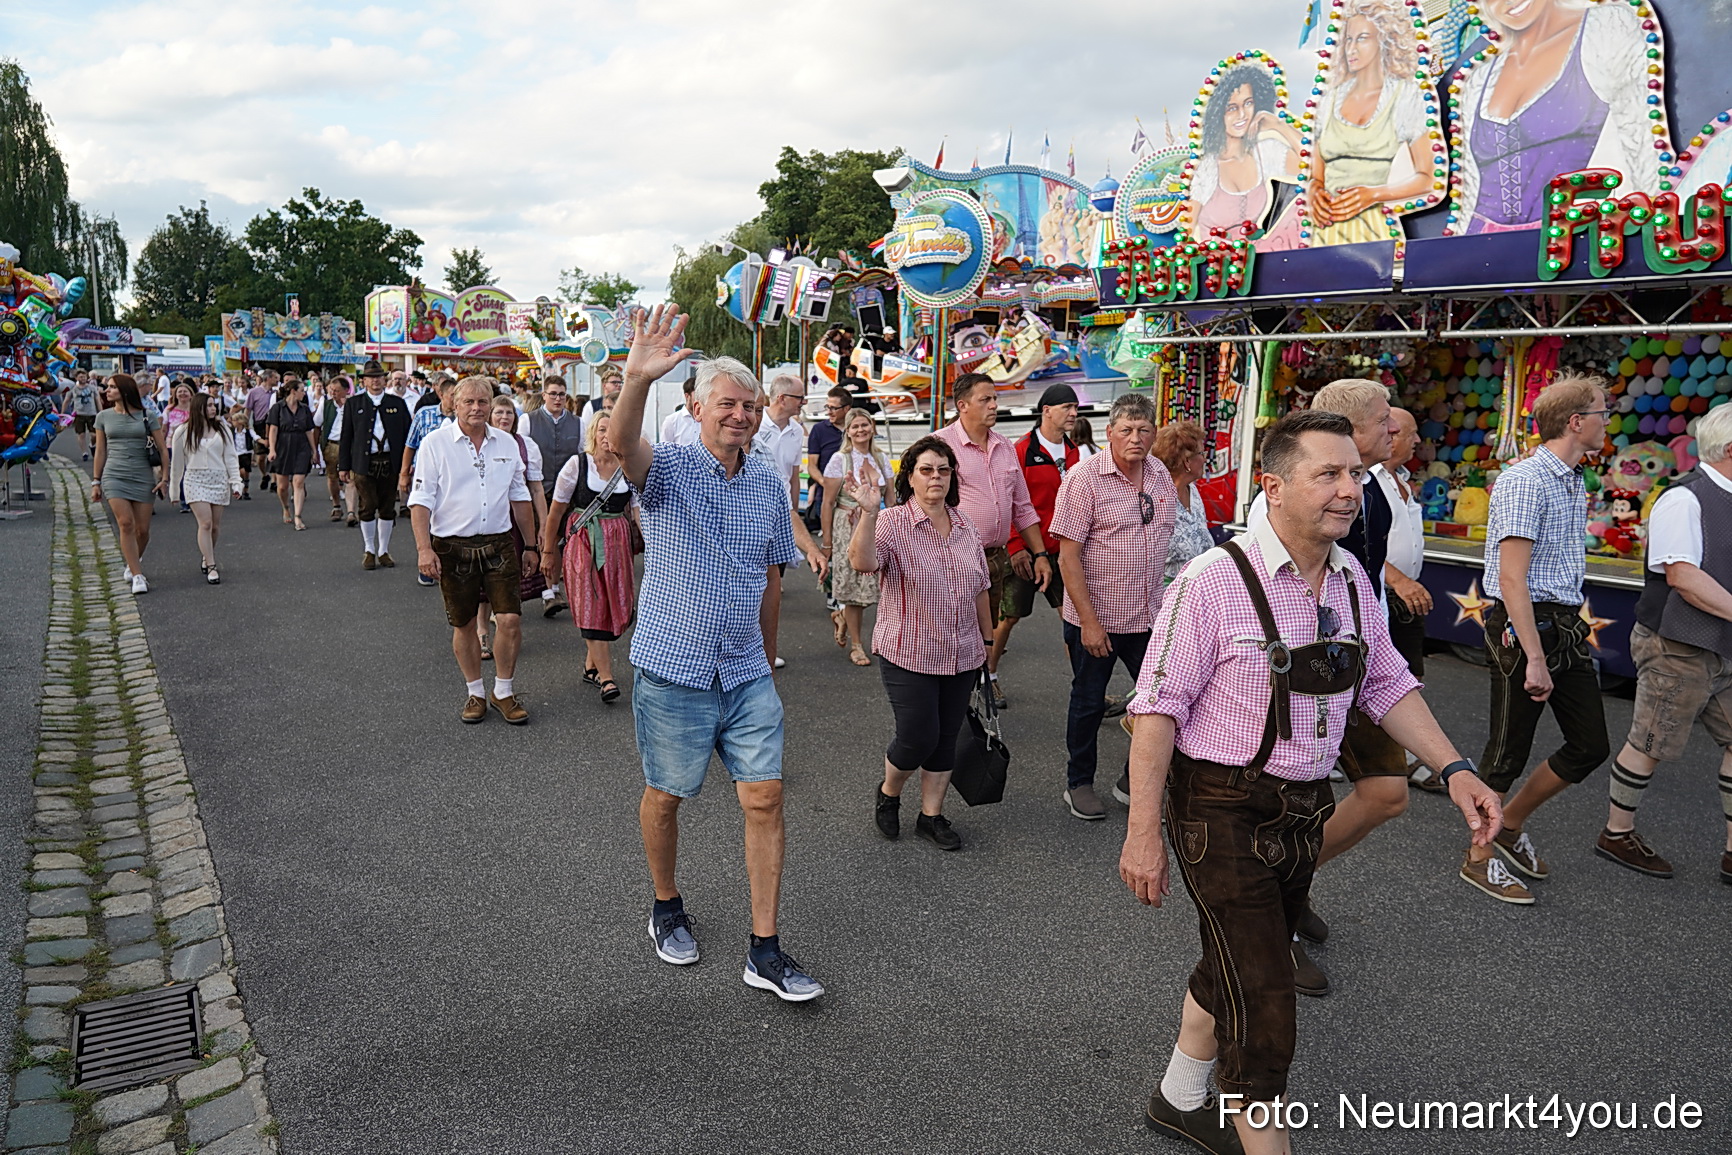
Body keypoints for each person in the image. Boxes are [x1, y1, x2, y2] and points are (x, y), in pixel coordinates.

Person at [1118, 409, 1502, 1155]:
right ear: (1274, 486)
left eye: (1354, 473)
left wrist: (1455, 769)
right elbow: (1155, 712)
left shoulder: (1354, 578)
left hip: (1303, 807)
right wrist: (1142, 837)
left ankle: (1175, 1097)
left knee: (1229, 958)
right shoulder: (1212, 582)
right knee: (1264, 1001)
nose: (1349, 489)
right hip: (1218, 808)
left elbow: (1386, 681)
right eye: (1327, 473)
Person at [607, 305, 824, 1003]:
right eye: (727, 402)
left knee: (764, 796)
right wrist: (637, 379)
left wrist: (767, 660)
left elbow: (770, 577)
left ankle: (764, 948)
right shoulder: (668, 471)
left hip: (745, 672)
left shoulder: (767, 481)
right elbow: (619, 445)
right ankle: (666, 902)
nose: (741, 414)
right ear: (696, 406)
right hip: (674, 668)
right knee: (667, 795)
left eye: (750, 405)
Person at [1469, 373, 1613, 903]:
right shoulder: (1527, 479)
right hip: (1525, 623)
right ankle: (1478, 856)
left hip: (1563, 622)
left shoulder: (1571, 478)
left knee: (1590, 744)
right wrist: (1533, 656)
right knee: (1508, 748)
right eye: (1601, 411)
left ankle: (1507, 823)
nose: (1607, 420)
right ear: (1576, 422)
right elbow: (1511, 578)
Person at [848, 435, 991, 851]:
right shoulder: (893, 522)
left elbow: (981, 588)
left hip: (963, 652)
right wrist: (869, 514)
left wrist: (986, 643)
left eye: (944, 470)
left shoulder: (965, 526)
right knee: (916, 736)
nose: (936, 478)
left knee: (947, 737)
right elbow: (863, 563)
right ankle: (890, 792)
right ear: (910, 476)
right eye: (926, 470)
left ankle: (931, 816)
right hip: (908, 650)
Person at [1610, 402, 1732, 885]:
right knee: (1651, 741)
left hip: (1722, 644)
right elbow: (1683, 576)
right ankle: (1617, 833)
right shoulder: (1684, 499)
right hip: (1676, 644)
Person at [1051, 393, 1177, 820]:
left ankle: (1132, 782)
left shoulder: (1160, 474)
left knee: (1160, 702)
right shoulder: (1084, 479)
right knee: (1088, 702)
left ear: (1154, 434)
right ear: (1109, 433)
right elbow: (1067, 558)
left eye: (1144, 430)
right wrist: (1089, 622)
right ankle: (1078, 784)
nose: (1135, 438)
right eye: (1126, 430)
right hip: (1097, 617)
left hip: (1150, 616)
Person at [1454, 0, 1656, 234]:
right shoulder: (1477, 77)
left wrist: (1649, 229)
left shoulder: (1605, 26)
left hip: (1566, 245)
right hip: (1478, 247)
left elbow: (1642, 143)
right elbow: (1466, 194)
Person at [408, 377, 537, 725]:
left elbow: (520, 497)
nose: (477, 408)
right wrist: (424, 550)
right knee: (464, 624)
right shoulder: (435, 444)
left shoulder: (507, 443)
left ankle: (504, 691)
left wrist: (532, 545)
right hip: (452, 547)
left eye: (483, 402)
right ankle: (476, 692)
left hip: (499, 543)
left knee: (509, 620)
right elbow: (419, 502)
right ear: (454, 404)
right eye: (469, 402)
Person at [936, 372, 1053, 708]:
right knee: (952, 631)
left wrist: (1040, 552)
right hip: (954, 557)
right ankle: (950, 702)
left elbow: (1023, 507)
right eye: (985, 399)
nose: (994, 405)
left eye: (994, 398)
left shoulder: (1005, 447)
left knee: (983, 633)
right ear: (962, 406)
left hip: (996, 558)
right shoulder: (940, 446)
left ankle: (974, 694)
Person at [1306, 0, 1435, 246]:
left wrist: (1373, 194)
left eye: (1362, 38)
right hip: (1322, 234)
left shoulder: (1404, 96)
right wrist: (1312, 191)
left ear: (1385, 41)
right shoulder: (1328, 100)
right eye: (1348, 40)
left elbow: (1429, 178)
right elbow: (1315, 175)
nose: (1351, 49)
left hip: (1375, 234)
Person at [541, 408, 638, 704]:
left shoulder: (629, 467)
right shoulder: (577, 465)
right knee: (591, 604)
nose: (607, 436)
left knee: (610, 605)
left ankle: (590, 665)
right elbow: (556, 510)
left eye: (612, 430)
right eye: (601, 430)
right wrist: (547, 552)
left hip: (618, 544)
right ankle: (607, 678)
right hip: (583, 540)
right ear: (592, 434)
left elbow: (638, 512)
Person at [992, 384, 1080, 678]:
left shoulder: (1073, 451)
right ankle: (987, 677)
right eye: (1067, 407)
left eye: (1075, 407)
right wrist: (1016, 547)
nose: (1074, 413)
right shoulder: (1021, 450)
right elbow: (1010, 502)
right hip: (1027, 549)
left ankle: (1085, 686)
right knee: (1009, 617)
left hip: (1063, 550)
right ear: (1046, 411)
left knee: (1072, 618)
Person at [1374, 408, 1440, 791]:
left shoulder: (1401, 478)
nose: (1417, 442)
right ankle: (1401, 760)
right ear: (1393, 435)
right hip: (1389, 591)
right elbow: (1358, 543)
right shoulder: (1370, 480)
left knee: (1410, 675)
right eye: (1411, 434)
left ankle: (1406, 754)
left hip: (1405, 593)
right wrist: (1398, 581)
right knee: (1388, 677)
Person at [474, 393, 548, 660]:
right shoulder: (477, 443)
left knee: (510, 578)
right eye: (499, 413)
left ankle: (507, 630)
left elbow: (536, 489)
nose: (504, 418)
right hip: (485, 519)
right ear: (490, 416)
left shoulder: (525, 445)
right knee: (482, 581)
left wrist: (543, 526)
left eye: (509, 413)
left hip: (516, 522)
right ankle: (482, 632)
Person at [820, 408, 892, 667]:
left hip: (875, 523)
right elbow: (827, 503)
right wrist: (827, 543)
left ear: (871, 427)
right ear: (848, 431)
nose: (861, 430)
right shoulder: (840, 459)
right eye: (855, 427)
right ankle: (857, 645)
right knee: (853, 589)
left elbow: (891, 497)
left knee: (876, 587)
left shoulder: (881, 458)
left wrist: (895, 525)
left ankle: (841, 617)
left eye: (865, 425)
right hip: (847, 526)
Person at [90, 374, 169, 595]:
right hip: (114, 475)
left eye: (112, 387)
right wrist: (96, 480)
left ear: (125, 391)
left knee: (142, 530)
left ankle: (133, 559)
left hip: (143, 475)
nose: (107, 391)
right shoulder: (103, 417)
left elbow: (162, 449)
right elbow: (100, 450)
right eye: (108, 387)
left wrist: (165, 478)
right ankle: (137, 575)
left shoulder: (147, 415)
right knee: (125, 523)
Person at [753, 375, 808, 671]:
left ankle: (767, 651)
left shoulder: (797, 430)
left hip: (784, 514)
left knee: (774, 583)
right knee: (754, 585)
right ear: (782, 398)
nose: (804, 403)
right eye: (800, 398)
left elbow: (793, 474)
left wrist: (795, 511)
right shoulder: (754, 426)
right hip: (756, 515)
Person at [338, 360, 413, 570]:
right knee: (368, 505)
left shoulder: (397, 403)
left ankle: (384, 550)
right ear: (364, 381)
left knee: (388, 506)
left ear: (384, 380)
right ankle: (369, 549)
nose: (376, 381)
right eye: (371, 377)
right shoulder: (354, 404)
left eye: (379, 377)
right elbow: (347, 437)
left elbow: (408, 436)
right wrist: (343, 466)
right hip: (364, 462)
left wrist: (408, 465)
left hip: (390, 461)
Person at [168, 395, 242, 584]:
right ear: (198, 407)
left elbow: (231, 457)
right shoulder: (183, 431)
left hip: (218, 479)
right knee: (206, 524)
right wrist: (174, 490)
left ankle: (206, 554)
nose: (213, 409)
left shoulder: (222, 427)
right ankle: (211, 565)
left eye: (213, 405)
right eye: (208, 405)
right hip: (195, 479)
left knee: (215, 527)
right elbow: (177, 463)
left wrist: (236, 482)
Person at [1156, 420, 1214, 586]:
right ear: (1187, 462)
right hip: (1168, 598)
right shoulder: (1158, 500)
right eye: (1201, 454)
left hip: (1200, 590)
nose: (1204, 460)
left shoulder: (1193, 491)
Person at [265, 378, 318, 531]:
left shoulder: (305, 409)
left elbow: (309, 430)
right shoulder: (277, 408)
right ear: (293, 391)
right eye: (302, 390)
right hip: (283, 445)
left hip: (301, 444)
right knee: (282, 486)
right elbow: (273, 429)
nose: (304, 393)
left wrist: (314, 450)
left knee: (299, 481)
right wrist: (272, 449)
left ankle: (298, 516)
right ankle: (286, 507)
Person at [316, 375, 355, 523]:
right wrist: (316, 450)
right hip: (331, 444)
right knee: (332, 477)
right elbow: (317, 425)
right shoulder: (325, 405)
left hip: (349, 445)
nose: (334, 393)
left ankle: (351, 512)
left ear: (346, 390)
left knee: (351, 478)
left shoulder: (352, 404)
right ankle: (337, 506)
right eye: (332, 390)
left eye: (337, 390)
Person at [69, 370, 100, 461]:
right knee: (81, 434)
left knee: (94, 435)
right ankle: (84, 453)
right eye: (81, 377)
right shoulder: (73, 389)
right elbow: (67, 400)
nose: (83, 378)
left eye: (84, 376)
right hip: (79, 414)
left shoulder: (92, 388)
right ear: (76, 378)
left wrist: (100, 412)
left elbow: (97, 400)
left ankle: (92, 445)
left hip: (91, 413)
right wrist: (63, 414)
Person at [225, 408, 256, 500]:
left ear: (240, 422)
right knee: (240, 472)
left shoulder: (248, 431)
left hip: (246, 453)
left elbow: (255, 437)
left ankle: (245, 490)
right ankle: (240, 486)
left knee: (245, 472)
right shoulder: (232, 432)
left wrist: (262, 441)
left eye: (234, 421)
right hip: (236, 454)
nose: (232, 423)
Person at [660, 378, 701, 445]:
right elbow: (664, 449)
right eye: (697, 396)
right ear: (687, 396)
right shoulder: (671, 421)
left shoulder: (706, 420)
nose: (699, 400)